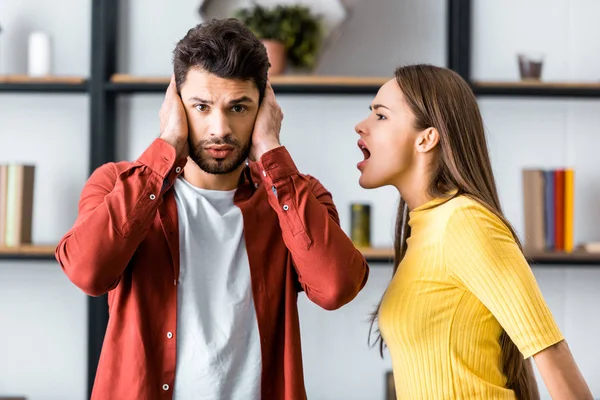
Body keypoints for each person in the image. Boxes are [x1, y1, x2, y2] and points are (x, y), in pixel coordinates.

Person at [55, 18, 369, 400]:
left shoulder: (294, 198)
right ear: (175, 104)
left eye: (239, 107)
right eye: (201, 106)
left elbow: (336, 287)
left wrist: (271, 150)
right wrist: (166, 145)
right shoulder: (116, 186)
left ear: (264, 109)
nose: (219, 128)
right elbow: (88, 272)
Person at [355, 64, 592, 399]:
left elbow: (551, 353)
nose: (361, 126)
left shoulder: (465, 222)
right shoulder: (425, 227)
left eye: (380, 116)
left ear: (427, 138)